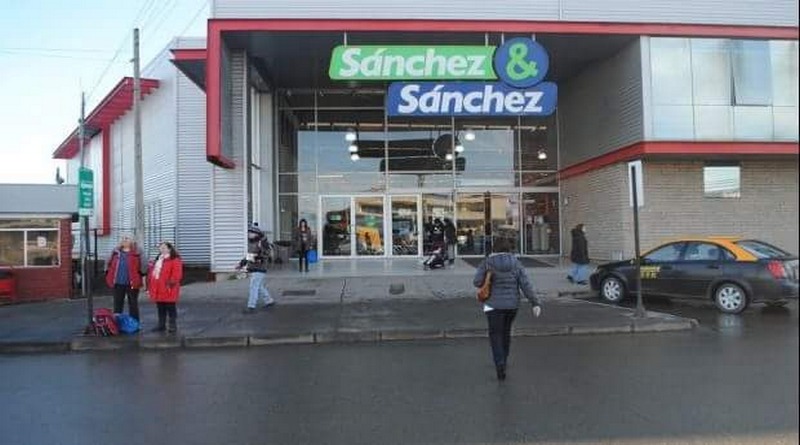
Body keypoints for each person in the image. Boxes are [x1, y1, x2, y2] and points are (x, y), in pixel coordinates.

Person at [473, 238, 542, 381]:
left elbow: (477, 282)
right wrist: (535, 303)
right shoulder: (516, 263)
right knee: (506, 333)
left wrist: (487, 277)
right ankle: (504, 359)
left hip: (492, 305)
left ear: (494, 248)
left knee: (495, 335)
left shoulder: (487, 263)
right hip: (512, 305)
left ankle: (499, 364)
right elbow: (525, 285)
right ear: (509, 249)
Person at [105, 234, 148, 322]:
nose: (124, 240)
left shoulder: (138, 252)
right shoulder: (115, 251)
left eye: (127, 238)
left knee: (133, 304)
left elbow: (144, 265)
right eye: (123, 238)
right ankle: (117, 323)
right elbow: (108, 263)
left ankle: (134, 323)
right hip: (118, 282)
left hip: (132, 283)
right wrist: (108, 274)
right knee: (117, 304)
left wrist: (142, 278)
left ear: (132, 240)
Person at [236, 223, 275, 314]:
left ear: (256, 233)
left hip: (260, 268)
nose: (249, 234)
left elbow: (266, 254)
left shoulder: (262, 243)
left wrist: (257, 258)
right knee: (259, 286)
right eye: (249, 232)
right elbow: (249, 256)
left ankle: (251, 306)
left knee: (254, 286)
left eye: (251, 232)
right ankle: (269, 300)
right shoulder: (251, 242)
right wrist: (241, 264)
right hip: (254, 267)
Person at [147, 241, 184, 333]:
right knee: (160, 307)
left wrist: (170, 284)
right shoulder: (158, 259)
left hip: (168, 288)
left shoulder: (175, 260)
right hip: (158, 287)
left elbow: (177, 274)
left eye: (164, 248)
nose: (162, 249)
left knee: (170, 307)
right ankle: (161, 325)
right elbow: (153, 273)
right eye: (161, 248)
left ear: (169, 249)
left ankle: (172, 325)